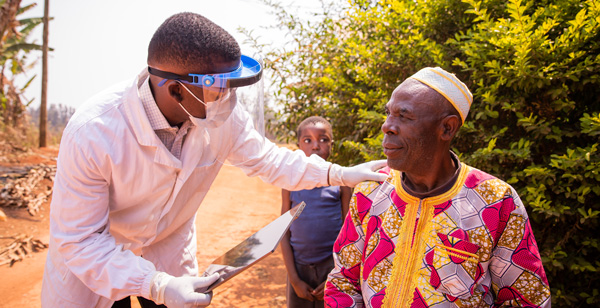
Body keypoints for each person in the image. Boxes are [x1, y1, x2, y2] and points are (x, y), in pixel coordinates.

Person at [40, 12, 388, 308]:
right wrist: (157, 285)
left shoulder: (219, 117)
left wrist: (339, 173)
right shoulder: (94, 133)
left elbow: (268, 160)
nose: (229, 97)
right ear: (176, 90)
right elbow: (81, 241)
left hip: (167, 249)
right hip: (97, 262)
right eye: (218, 87)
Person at [324, 67, 551, 307]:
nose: (387, 126)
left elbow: (526, 299)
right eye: (388, 113)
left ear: (447, 128)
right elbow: (343, 282)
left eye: (404, 116)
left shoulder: (496, 201)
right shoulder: (370, 193)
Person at [281, 116, 353, 308]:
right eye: (307, 140)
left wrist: (335, 275)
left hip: (332, 268)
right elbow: (283, 232)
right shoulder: (290, 182)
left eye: (323, 139)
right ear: (298, 145)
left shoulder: (341, 182)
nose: (315, 146)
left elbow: (349, 235)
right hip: (299, 268)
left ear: (331, 144)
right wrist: (294, 279)